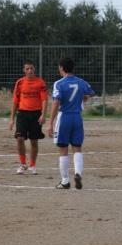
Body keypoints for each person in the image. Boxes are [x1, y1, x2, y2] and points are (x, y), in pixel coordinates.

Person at [46, 57, 95, 189]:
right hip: (77, 118)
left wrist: (50, 123)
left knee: (63, 149)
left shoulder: (59, 83)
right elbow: (91, 93)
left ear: (61, 68)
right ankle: (78, 173)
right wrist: (83, 98)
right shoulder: (81, 82)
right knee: (77, 147)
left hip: (64, 117)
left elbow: (56, 102)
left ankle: (65, 181)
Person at [9, 60, 48, 175]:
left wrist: (43, 114)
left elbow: (44, 100)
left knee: (34, 141)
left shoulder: (40, 82)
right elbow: (15, 101)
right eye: (27, 69)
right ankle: (22, 164)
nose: (30, 71)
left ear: (34, 69)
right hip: (22, 114)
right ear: (24, 70)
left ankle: (32, 165)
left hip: (36, 114)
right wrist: (11, 119)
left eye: (31, 68)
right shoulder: (20, 82)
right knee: (19, 138)